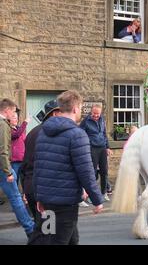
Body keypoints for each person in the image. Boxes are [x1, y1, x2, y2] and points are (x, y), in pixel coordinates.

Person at [32, 90, 104, 245]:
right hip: (65, 204)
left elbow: (38, 166)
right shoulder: (77, 135)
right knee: (57, 241)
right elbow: (86, 171)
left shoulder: (43, 132)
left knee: (53, 236)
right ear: (76, 109)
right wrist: (97, 199)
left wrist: (39, 196)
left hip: (47, 201)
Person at [20, 100, 61, 219]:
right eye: (62, 112)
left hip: (31, 186)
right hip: (44, 189)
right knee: (48, 230)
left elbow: (25, 164)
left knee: (41, 227)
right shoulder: (51, 133)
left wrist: (25, 189)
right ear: (54, 113)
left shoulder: (33, 132)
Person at [0, 98, 34, 239]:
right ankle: (31, 230)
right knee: (16, 199)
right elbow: (3, 151)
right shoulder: (2, 125)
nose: (14, 114)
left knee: (16, 198)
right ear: (6, 110)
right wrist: (8, 172)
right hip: (4, 168)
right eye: (13, 111)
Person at [80, 104, 112, 202]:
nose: (96, 115)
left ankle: (103, 193)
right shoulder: (86, 121)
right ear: (91, 112)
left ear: (100, 112)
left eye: (98, 114)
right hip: (92, 148)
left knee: (104, 172)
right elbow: (80, 134)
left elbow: (104, 134)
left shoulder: (102, 120)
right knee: (92, 173)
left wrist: (108, 147)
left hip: (102, 148)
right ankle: (91, 195)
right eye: (94, 113)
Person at [9, 111, 30, 186]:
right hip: (14, 161)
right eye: (14, 117)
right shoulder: (8, 129)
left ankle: (25, 196)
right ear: (9, 119)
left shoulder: (19, 129)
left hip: (23, 160)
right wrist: (25, 122)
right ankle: (16, 197)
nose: (16, 120)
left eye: (17, 118)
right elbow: (16, 135)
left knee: (25, 180)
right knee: (15, 181)